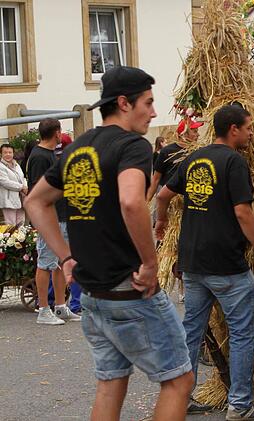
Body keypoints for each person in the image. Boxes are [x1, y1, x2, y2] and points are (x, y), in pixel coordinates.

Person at [24, 65, 194, 420]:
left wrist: (67, 257)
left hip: (94, 297)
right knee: (179, 379)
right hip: (130, 291)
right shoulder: (132, 146)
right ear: (123, 103)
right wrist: (149, 264)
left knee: (110, 382)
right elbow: (132, 201)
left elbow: (35, 202)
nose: (153, 111)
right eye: (148, 102)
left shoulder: (78, 148)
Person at [156, 104, 254, 420]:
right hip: (227, 265)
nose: (251, 133)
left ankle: (181, 399)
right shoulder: (234, 162)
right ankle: (239, 404)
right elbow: (242, 212)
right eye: (248, 127)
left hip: (193, 262)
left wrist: (160, 223)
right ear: (233, 129)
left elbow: (162, 195)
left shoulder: (195, 157)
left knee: (191, 332)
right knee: (241, 334)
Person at [25, 118, 78, 324]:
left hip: (61, 215)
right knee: (45, 263)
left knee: (58, 263)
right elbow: (40, 191)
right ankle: (43, 309)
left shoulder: (49, 154)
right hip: (50, 218)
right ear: (56, 133)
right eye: (60, 131)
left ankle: (60, 305)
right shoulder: (40, 156)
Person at [146, 118, 203, 202]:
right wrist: (146, 202)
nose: (198, 135)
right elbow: (156, 179)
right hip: (171, 201)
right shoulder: (167, 151)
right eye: (194, 131)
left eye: (197, 131)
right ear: (183, 134)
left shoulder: (199, 151)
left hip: (191, 200)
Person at [0, 144, 27, 225]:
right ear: (1, 154)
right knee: (11, 225)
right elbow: (5, 182)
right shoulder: (1, 167)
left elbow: (22, 177)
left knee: (21, 224)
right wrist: (21, 187)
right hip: (8, 201)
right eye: (5, 152)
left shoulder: (16, 164)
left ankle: (23, 238)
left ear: (13, 153)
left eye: (10, 152)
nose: (8, 154)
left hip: (20, 199)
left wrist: (25, 186)